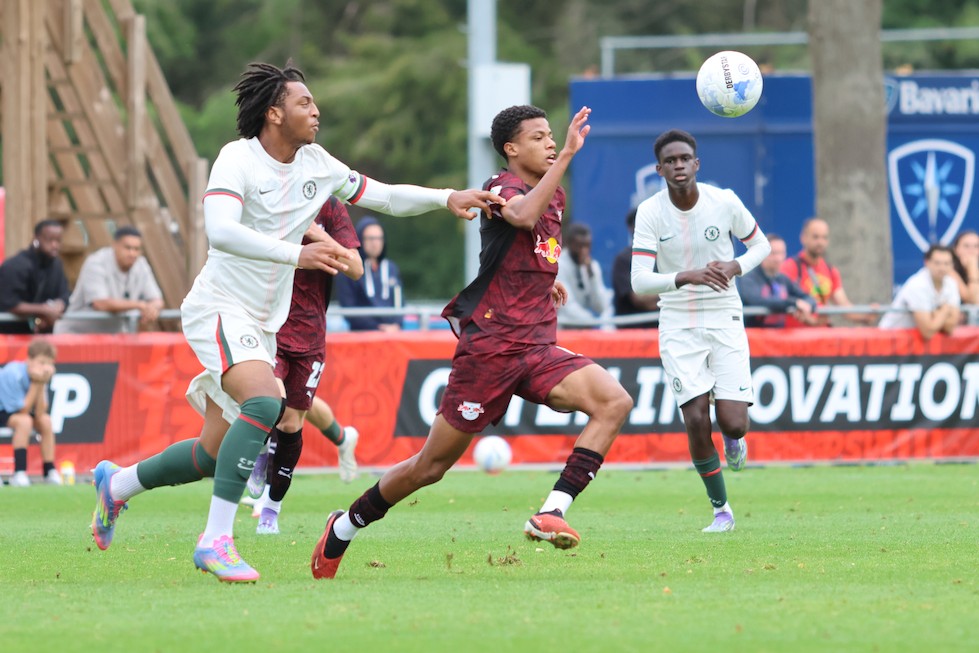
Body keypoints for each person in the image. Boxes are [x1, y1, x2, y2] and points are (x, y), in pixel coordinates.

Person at [89, 60, 503, 583]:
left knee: (211, 455)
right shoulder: (236, 159)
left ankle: (117, 485)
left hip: (265, 321)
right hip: (218, 306)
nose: (316, 110)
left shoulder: (316, 163)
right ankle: (216, 540)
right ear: (274, 113)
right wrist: (295, 255)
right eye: (304, 102)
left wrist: (448, 198)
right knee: (266, 403)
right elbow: (220, 231)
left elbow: (385, 195)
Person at [309, 104, 634, 580]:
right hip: (491, 349)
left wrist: (550, 277)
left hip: (538, 345)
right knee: (430, 466)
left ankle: (552, 512)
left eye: (552, 137)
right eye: (539, 137)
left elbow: (533, 248)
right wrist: (565, 154)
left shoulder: (553, 195)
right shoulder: (501, 188)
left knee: (614, 401)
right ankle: (346, 525)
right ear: (511, 149)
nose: (549, 143)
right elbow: (521, 217)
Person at [631, 129, 771, 533]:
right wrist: (686, 276)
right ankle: (721, 511)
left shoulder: (724, 201)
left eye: (685, 158)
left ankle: (733, 438)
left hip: (724, 313)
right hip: (677, 320)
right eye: (670, 161)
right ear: (659, 169)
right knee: (694, 418)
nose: (678, 165)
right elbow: (639, 280)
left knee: (733, 423)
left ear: (697, 164)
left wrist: (735, 266)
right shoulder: (651, 212)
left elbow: (760, 245)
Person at [245, 196, 364, 535]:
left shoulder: (330, 208)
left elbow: (355, 268)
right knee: (271, 400)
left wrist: (318, 235)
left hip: (311, 334)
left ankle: (271, 508)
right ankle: (256, 455)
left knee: (293, 419)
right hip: (269, 325)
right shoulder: (271, 199)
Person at [54, 226, 164, 334]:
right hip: (76, 336)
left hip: (112, 338)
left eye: (136, 249)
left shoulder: (141, 264)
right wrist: (140, 305)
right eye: (128, 248)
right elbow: (100, 303)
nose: (132, 253)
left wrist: (152, 309)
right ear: (114, 245)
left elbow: (157, 299)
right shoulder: (96, 262)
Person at [780, 217, 877, 327]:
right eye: (815, 237)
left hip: (823, 339)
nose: (820, 242)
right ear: (803, 238)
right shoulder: (789, 267)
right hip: (796, 339)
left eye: (824, 237)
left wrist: (865, 317)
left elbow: (844, 306)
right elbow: (781, 299)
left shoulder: (831, 271)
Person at [0, 339, 59, 486]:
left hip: (21, 411)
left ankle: (49, 470)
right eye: (41, 362)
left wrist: (40, 383)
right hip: (4, 409)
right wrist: (36, 383)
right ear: (29, 360)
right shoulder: (12, 373)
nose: (45, 367)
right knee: (24, 421)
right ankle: (19, 473)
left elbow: (39, 412)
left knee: (45, 420)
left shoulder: (40, 376)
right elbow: (23, 410)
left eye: (49, 363)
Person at [0, 220, 70, 334]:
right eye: (49, 240)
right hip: (9, 336)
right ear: (36, 239)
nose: (55, 245)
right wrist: (43, 310)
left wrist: (59, 305)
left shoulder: (56, 265)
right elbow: (9, 303)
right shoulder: (15, 265)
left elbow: (64, 294)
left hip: (42, 336)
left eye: (58, 240)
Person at [878, 244, 960, 339]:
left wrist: (934, 315)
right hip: (890, 340)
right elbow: (927, 332)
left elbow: (951, 327)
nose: (942, 268)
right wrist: (945, 310)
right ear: (927, 262)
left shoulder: (951, 283)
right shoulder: (917, 284)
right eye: (937, 263)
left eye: (946, 263)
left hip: (913, 345)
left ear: (952, 265)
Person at [335, 216, 403, 331]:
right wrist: (378, 328)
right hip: (362, 338)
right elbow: (348, 309)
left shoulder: (391, 268)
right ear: (360, 239)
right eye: (370, 238)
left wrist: (396, 325)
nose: (375, 243)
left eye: (379, 238)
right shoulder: (348, 269)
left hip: (392, 337)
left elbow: (400, 303)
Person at [738, 233, 818, 327]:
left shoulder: (783, 279)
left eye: (781, 253)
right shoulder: (749, 278)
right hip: (752, 337)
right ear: (762, 254)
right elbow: (758, 301)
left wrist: (806, 305)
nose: (778, 258)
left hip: (778, 339)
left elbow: (809, 298)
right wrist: (794, 303)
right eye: (773, 253)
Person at [556, 222, 613, 328]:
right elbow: (567, 305)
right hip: (563, 330)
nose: (584, 251)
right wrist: (592, 322)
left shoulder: (592, 266)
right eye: (580, 246)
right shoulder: (559, 265)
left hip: (585, 329)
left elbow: (600, 306)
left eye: (587, 246)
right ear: (569, 244)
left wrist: (591, 275)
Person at [612, 208, 659, 328]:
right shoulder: (623, 260)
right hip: (631, 338)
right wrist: (670, 293)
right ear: (631, 228)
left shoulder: (662, 257)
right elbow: (640, 300)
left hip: (660, 333)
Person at [950, 229, 979, 315]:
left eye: (976, 246)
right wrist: (972, 268)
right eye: (966, 246)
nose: (971, 250)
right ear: (956, 249)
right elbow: (971, 301)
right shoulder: (947, 269)